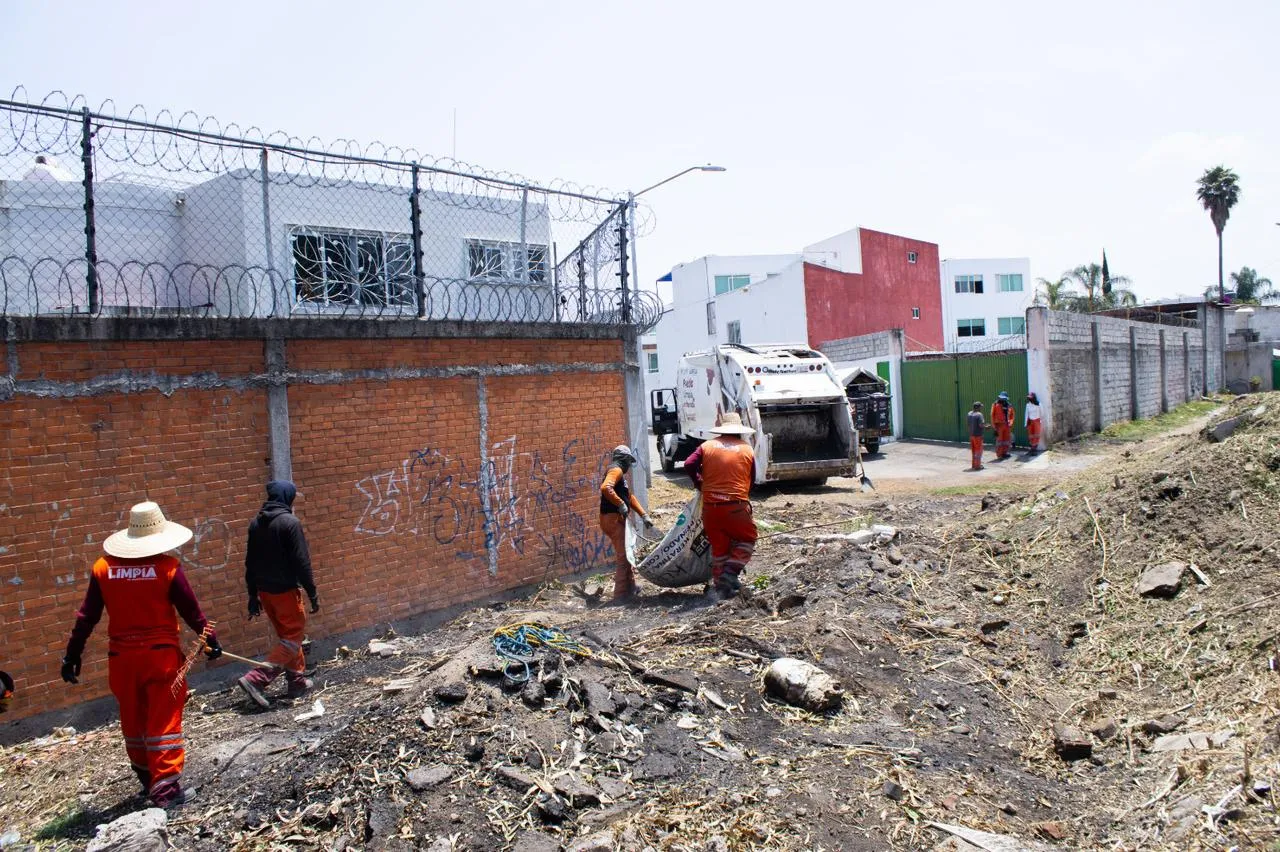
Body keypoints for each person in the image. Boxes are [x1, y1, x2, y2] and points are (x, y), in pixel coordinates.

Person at [61, 501, 221, 809]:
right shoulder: (168, 568)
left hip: (121, 660)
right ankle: (165, 792)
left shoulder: (102, 568)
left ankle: (148, 780)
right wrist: (210, 641)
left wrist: (72, 655)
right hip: (160, 659)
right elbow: (193, 613)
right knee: (164, 721)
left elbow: (86, 617)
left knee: (133, 721)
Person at [238, 480, 318, 708]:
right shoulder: (289, 523)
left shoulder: (256, 524)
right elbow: (302, 562)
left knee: (287, 637)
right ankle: (257, 679)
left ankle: (297, 682)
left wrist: (252, 595)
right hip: (285, 591)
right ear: (287, 497)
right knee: (293, 637)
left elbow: (249, 563)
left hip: (265, 593)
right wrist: (312, 592)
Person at [682, 413, 758, 600]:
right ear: (739, 431)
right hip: (735, 506)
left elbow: (689, 463)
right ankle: (729, 575)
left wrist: (700, 483)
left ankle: (721, 591)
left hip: (711, 508)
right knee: (747, 539)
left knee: (720, 547)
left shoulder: (707, 446)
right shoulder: (746, 449)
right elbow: (752, 479)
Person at [599, 446, 656, 600]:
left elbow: (629, 497)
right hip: (612, 519)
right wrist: (620, 504)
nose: (629, 466)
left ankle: (631, 587)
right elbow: (605, 488)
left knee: (628, 553)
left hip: (615, 519)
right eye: (629, 462)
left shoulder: (619, 475)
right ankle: (620, 595)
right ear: (623, 459)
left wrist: (644, 515)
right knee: (623, 556)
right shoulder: (615, 470)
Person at [990, 391, 1015, 460]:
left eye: (1004, 398)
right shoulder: (995, 404)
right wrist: (994, 427)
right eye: (1001, 398)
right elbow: (992, 415)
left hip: (1007, 425)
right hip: (999, 425)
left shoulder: (1009, 405)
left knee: (1007, 440)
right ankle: (999, 454)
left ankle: (1005, 453)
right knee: (999, 440)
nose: (1003, 399)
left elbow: (1012, 415)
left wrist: (1011, 422)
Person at [967, 402, 987, 471]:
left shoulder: (969, 413)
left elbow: (969, 424)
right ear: (978, 407)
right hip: (978, 436)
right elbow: (981, 425)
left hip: (971, 435)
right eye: (980, 407)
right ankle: (977, 466)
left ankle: (974, 464)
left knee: (974, 451)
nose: (981, 408)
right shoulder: (979, 414)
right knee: (978, 451)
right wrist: (987, 426)